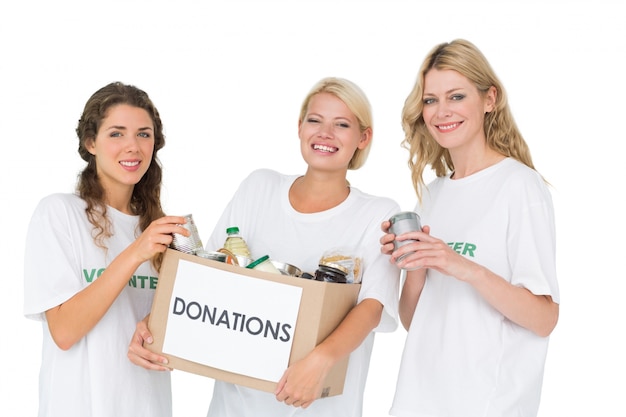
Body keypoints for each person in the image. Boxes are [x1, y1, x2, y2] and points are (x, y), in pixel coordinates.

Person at [128, 77, 401, 416]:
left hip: (319, 406)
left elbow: (372, 307)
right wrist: (155, 322)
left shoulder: (378, 214)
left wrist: (319, 361)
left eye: (342, 124)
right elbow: (206, 273)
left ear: (363, 137)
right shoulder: (260, 188)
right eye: (315, 120)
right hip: (236, 405)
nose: (325, 134)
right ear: (300, 127)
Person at [380, 39, 560, 417]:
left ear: (489, 99)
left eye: (456, 96)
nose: (441, 111)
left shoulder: (519, 186)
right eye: (430, 100)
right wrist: (415, 264)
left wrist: (459, 264)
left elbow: (544, 319)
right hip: (416, 402)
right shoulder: (432, 195)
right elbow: (417, 323)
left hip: (485, 404)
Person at [23, 82, 190, 417]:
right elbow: (65, 332)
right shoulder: (59, 213)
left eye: (144, 134)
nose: (133, 146)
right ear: (90, 143)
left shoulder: (162, 231)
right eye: (116, 133)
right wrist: (134, 253)